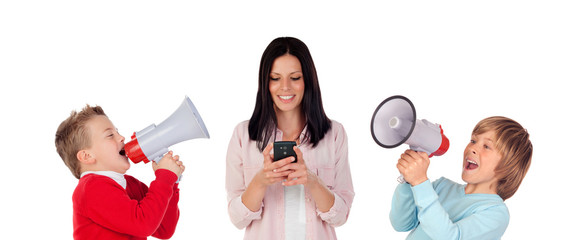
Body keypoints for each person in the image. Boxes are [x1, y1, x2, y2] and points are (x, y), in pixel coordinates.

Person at [225, 37, 355, 240]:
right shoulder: (244, 135)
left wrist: (311, 180)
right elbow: (237, 219)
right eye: (275, 78)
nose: (285, 87)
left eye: (295, 77)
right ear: (265, 82)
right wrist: (260, 181)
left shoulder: (334, 134)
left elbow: (341, 216)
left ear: (308, 81)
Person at [390, 116, 533, 239]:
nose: (473, 148)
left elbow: (450, 237)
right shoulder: (441, 187)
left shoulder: (495, 213)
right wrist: (409, 181)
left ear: (506, 167)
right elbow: (401, 223)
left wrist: (419, 182)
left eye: (487, 146)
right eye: (473, 141)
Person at [55, 105, 185, 240]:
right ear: (87, 156)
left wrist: (171, 183)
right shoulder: (91, 188)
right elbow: (143, 225)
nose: (122, 137)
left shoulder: (132, 184)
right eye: (110, 135)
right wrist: (164, 178)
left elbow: (164, 229)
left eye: (117, 132)